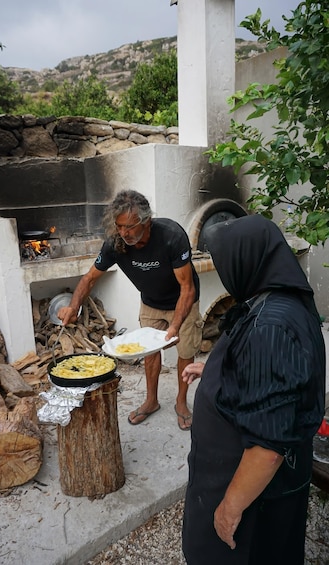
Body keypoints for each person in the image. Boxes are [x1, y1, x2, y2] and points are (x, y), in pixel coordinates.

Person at [181, 214, 325, 564]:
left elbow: (267, 447)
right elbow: (276, 381)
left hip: (254, 499)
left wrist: (229, 510)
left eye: (224, 263)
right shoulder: (279, 298)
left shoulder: (270, 329)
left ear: (248, 260)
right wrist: (215, 371)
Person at [58, 189, 202, 430]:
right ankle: (151, 401)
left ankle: (181, 402)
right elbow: (90, 278)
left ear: (146, 222)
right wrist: (74, 306)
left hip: (182, 300)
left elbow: (187, 288)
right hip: (151, 302)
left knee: (185, 352)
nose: (124, 233)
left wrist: (175, 326)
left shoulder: (171, 236)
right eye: (119, 226)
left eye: (130, 226)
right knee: (149, 353)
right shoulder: (115, 243)